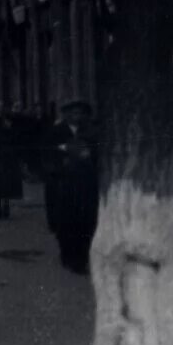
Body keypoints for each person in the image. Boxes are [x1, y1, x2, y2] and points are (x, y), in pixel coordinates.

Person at [44, 100, 99, 274]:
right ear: (66, 115)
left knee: (85, 223)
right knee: (64, 223)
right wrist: (59, 164)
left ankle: (80, 259)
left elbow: (97, 154)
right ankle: (67, 254)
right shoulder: (56, 131)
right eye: (73, 113)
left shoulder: (91, 132)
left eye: (80, 113)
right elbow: (48, 154)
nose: (77, 116)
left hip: (85, 184)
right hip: (62, 184)